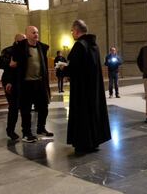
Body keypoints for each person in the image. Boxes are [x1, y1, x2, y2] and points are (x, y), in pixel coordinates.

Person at [61, 19, 111, 153]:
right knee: (92, 113)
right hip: (93, 87)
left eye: (72, 31)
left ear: (76, 31)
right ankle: (93, 142)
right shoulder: (94, 45)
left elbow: (75, 68)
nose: (72, 33)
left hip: (82, 89)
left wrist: (63, 70)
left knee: (82, 115)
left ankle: (83, 144)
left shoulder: (79, 45)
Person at [12, 26, 53, 143]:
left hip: (39, 82)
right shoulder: (20, 47)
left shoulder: (41, 47)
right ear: (27, 34)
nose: (36, 34)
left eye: (37, 32)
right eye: (33, 32)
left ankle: (41, 128)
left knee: (44, 107)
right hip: (26, 83)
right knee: (26, 109)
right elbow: (13, 62)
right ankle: (26, 133)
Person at [0, 33, 26, 141]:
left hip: (22, 82)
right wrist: (9, 63)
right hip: (10, 82)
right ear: (17, 41)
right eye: (23, 40)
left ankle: (26, 131)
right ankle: (10, 131)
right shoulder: (8, 50)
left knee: (24, 107)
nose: (26, 42)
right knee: (13, 107)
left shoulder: (26, 51)